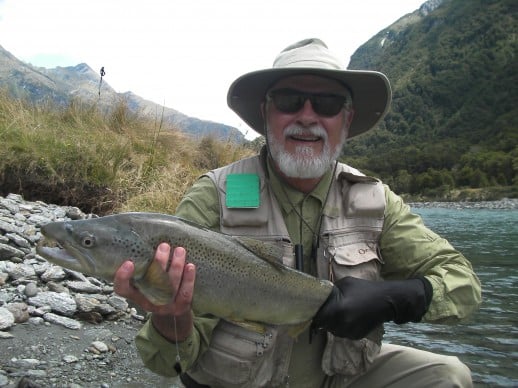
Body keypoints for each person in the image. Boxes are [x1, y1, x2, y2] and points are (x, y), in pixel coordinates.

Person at [114, 38, 482, 387]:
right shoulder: (215, 195)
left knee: (447, 375)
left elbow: (462, 282)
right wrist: (171, 318)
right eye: (289, 100)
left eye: (328, 104)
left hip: (342, 378)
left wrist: (396, 298)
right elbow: (168, 361)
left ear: (347, 119)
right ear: (266, 113)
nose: (307, 116)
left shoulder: (376, 201)